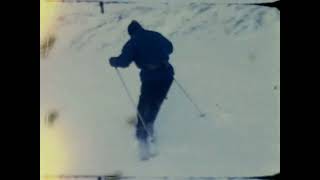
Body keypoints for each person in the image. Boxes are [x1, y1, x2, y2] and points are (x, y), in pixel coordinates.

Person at [109, 20, 174, 159]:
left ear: (131, 33)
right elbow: (170, 48)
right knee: (156, 101)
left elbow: (124, 61)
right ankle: (149, 123)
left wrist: (113, 61)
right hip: (167, 74)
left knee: (144, 103)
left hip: (151, 76)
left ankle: (142, 135)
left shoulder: (133, 42)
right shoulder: (155, 35)